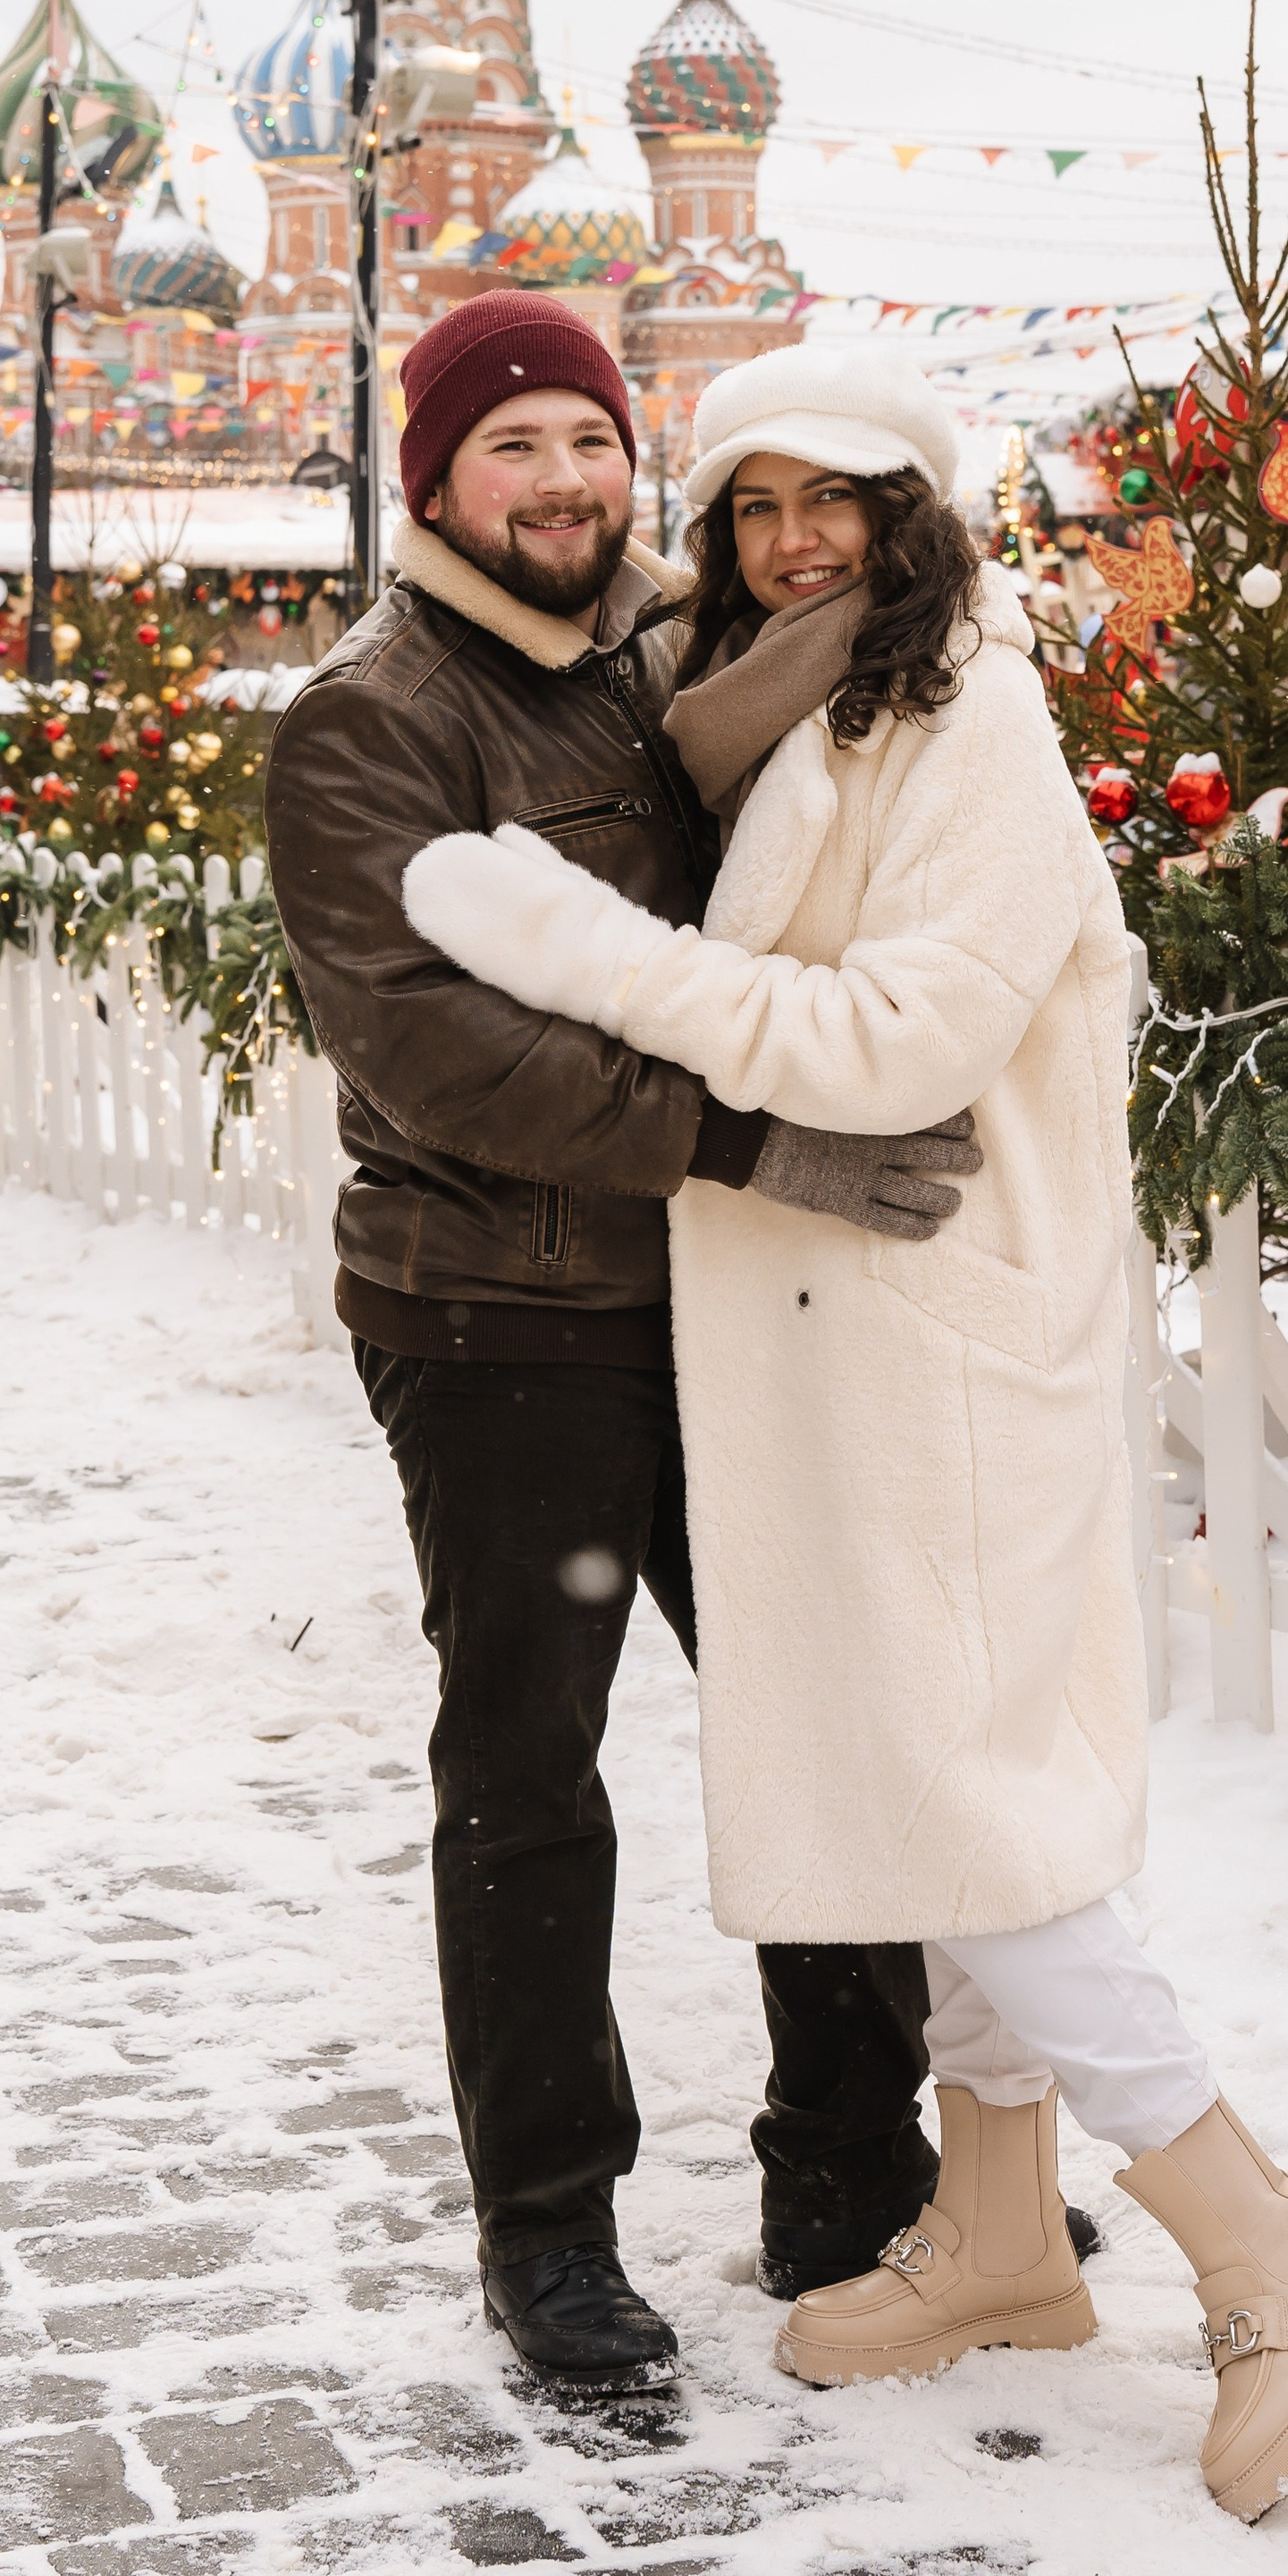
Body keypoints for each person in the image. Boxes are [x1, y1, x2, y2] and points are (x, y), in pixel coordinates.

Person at [402, 346, 1288, 2521]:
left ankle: (1263, 2236)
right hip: (818, 1340)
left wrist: (588, 955)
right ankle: (993, 2220)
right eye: (754, 503)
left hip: (939, 1327)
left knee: (972, 1805)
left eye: (836, 498)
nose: (794, 540)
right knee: (912, 1787)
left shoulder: (973, 725)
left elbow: (896, 1039)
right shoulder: (761, 714)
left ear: (912, 514)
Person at [265, 292, 986, 2399]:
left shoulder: (669, 658)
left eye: (589, 439)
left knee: (820, 1714)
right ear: (432, 481)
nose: (563, 480)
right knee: (529, 1769)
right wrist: (757, 1139)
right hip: (498, 1309)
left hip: (713, 1291)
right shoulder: (374, 717)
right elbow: (435, 1050)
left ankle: (845, 2170)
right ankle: (549, 2228)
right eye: (513, 447)